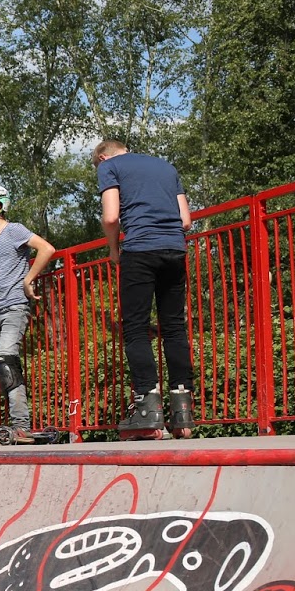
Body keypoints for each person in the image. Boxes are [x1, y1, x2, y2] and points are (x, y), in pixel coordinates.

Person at [94, 138, 196, 436]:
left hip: (140, 250)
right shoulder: (166, 167)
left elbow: (111, 216)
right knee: (175, 328)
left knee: (136, 328)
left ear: (102, 157)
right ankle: (182, 414)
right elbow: (186, 221)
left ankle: (147, 409)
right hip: (175, 250)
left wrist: (114, 249)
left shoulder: (109, 166)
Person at [0, 183, 56, 444]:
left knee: (5, 361)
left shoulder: (15, 230)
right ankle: (21, 425)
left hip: (15, 306)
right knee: (7, 368)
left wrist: (28, 279)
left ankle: (21, 424)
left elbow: (47, 249)